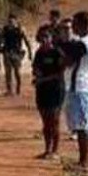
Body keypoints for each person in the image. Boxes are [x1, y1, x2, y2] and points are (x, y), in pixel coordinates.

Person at [61, 10, 88, 168]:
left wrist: (61, 40)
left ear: (84, 25)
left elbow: (69, 55)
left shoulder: (87, 42)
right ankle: (82, 160)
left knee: (83, 125)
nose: (74, 28)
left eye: (76, 25)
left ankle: (83, 161)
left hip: (81, 87)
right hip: (81, 87)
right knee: (79, 125)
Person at [31, 26, 66, 159]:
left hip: (56, 90)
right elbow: (35, 68)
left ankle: (55, 151)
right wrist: (36, 74)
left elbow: (60, 73)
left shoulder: (57, 52)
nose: (44, 39)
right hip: (42, 91)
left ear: (52, 38)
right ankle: (47, 149)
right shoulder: (39, 53)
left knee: (54, 121)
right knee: (45, 122)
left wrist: (43, 79)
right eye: (42, 37)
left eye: (47, 36)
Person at [1, 13, 32, 96]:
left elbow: (27, 41)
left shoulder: (20, 29)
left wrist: (30, 52)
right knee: (8, 72)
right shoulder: (5, 29)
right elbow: (0, 40)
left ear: (15, 20)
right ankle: (9, 90)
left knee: (17, 72)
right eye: (9, 20)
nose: (10, 22)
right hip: (7, 52)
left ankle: (18, 88)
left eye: (12, 20)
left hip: (17, 53)